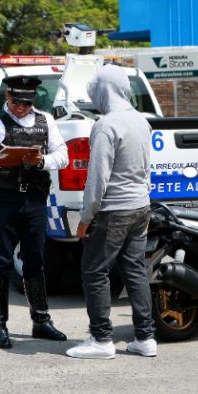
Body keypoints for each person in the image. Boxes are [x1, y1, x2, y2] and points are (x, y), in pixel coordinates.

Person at [0, 75, 69, 349]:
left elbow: (63, 156)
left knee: (35, 260)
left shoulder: (45, 120)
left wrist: (42, 161)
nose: (21, 108)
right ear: (7, 97)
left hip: (35, 200)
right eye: (16, 102)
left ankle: (41, 320)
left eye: (26, 103)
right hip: (5, 199)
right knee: (1, 261)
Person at [65, 64, 157, 359]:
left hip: (113, 210)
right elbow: (146, 168)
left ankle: (101, 340)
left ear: (104, 91)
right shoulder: (142, 121)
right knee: (135, 271)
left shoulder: (105, 126)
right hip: (140, 206)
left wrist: (86, 216)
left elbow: (97, 177)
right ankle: (145, 338)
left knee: (94, 271)